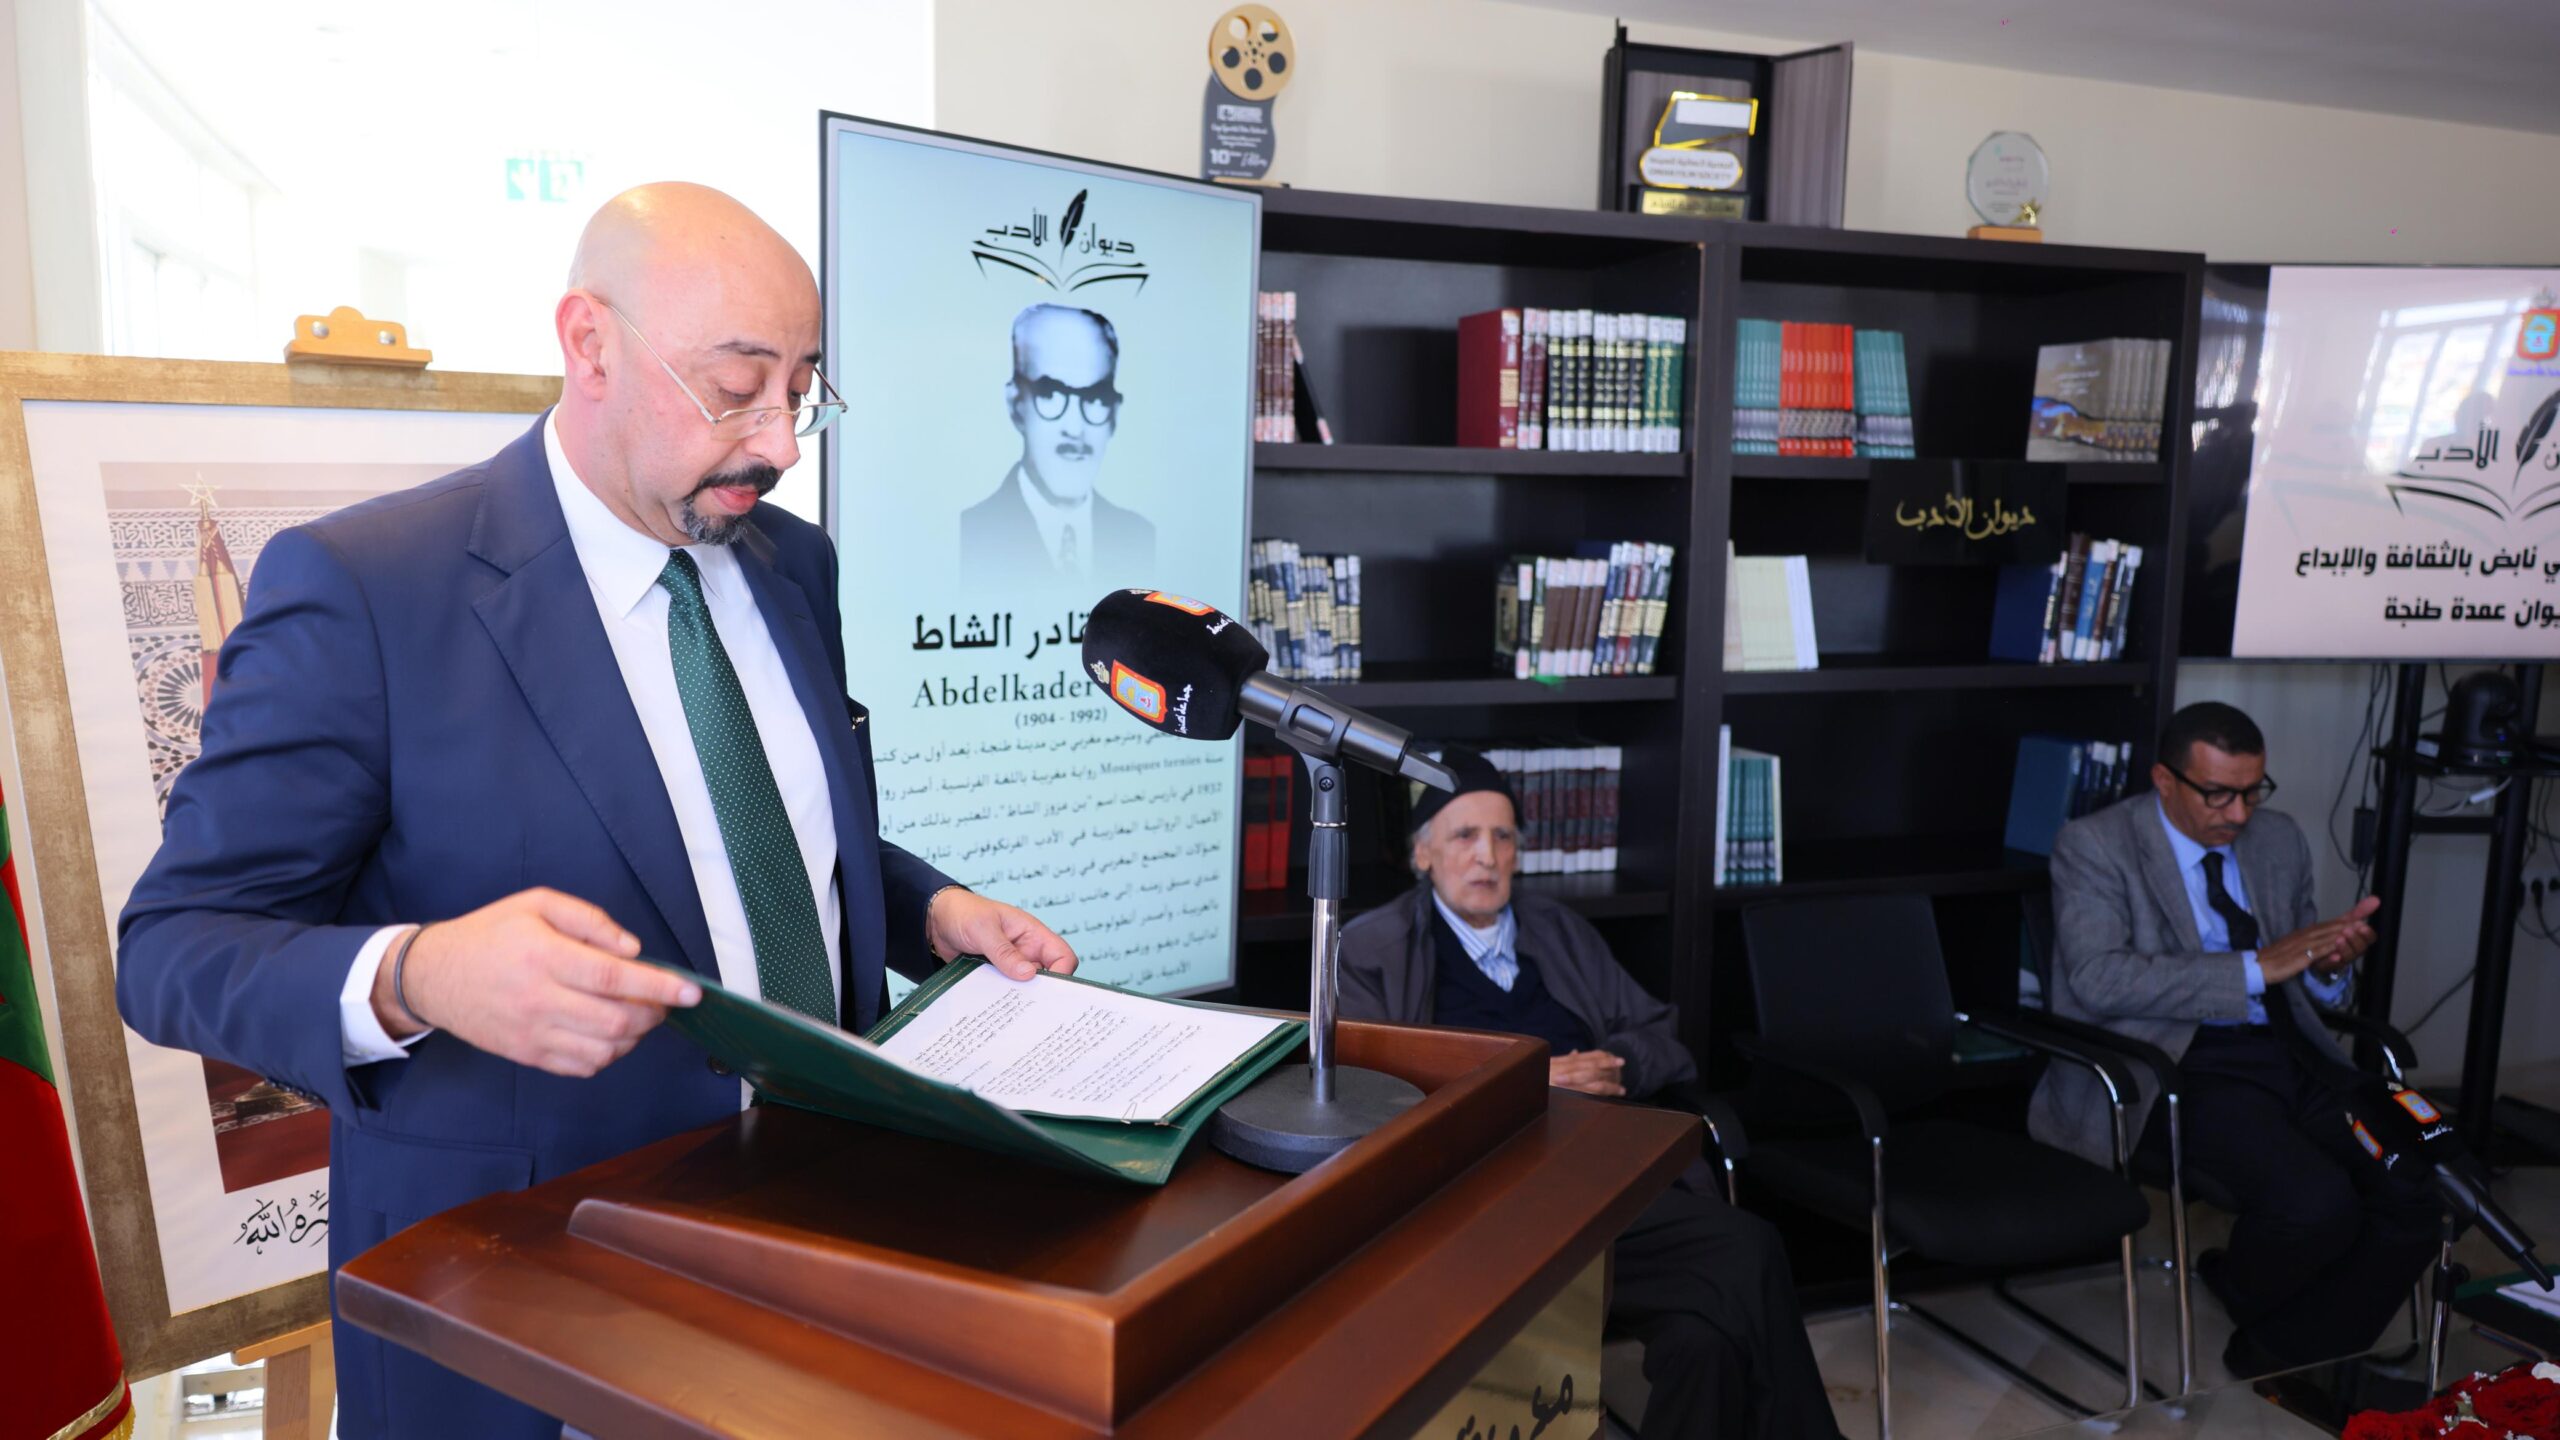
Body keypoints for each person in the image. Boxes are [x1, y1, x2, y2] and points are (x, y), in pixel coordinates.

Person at [115, 183, 1079, 1440]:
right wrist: (416, 973)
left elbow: (748, 832)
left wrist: (926, 908)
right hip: (523, 1302)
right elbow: (175, 948)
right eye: (735, 387)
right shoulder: (367, 588)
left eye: (802, 390)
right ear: (590, 345)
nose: (781, 444)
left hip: (825, 1244)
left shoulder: (794, 563)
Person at [1339, 750, 1841, 1440]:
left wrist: (1621, 1064)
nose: (1487, 855)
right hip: (1492, 1199)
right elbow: (1376, 1094)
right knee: (1748, 1248)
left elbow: (1662, 1034)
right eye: (1464, 836)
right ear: (1421, 855)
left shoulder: (1556, 929)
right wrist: (1521, 1085)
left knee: (1704, 1338)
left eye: (1503, 836)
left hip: (1609, 1171)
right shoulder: (1371, 949)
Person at [2027, 701, 2436, 1384]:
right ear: (2165, 780)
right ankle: (2282, 1335)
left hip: (2291, 1050)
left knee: (2427, 1179)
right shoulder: (2095, 844)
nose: (2240, 814)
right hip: (2173, 1064)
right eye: (2218, 793)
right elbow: (2098, 979)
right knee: (2317, 1205)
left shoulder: (2278, 839)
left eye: (2253, 791)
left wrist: (2328, 965)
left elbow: (2299, 965)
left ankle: (2288, 1339)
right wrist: (2253, 968)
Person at [958, 302, 1156, 583]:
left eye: (1095, 398)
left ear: (1114, 413)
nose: (1075, 429)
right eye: (1050, 394)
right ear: (1016, 405)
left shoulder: (1139, 535)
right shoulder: (970, 532)